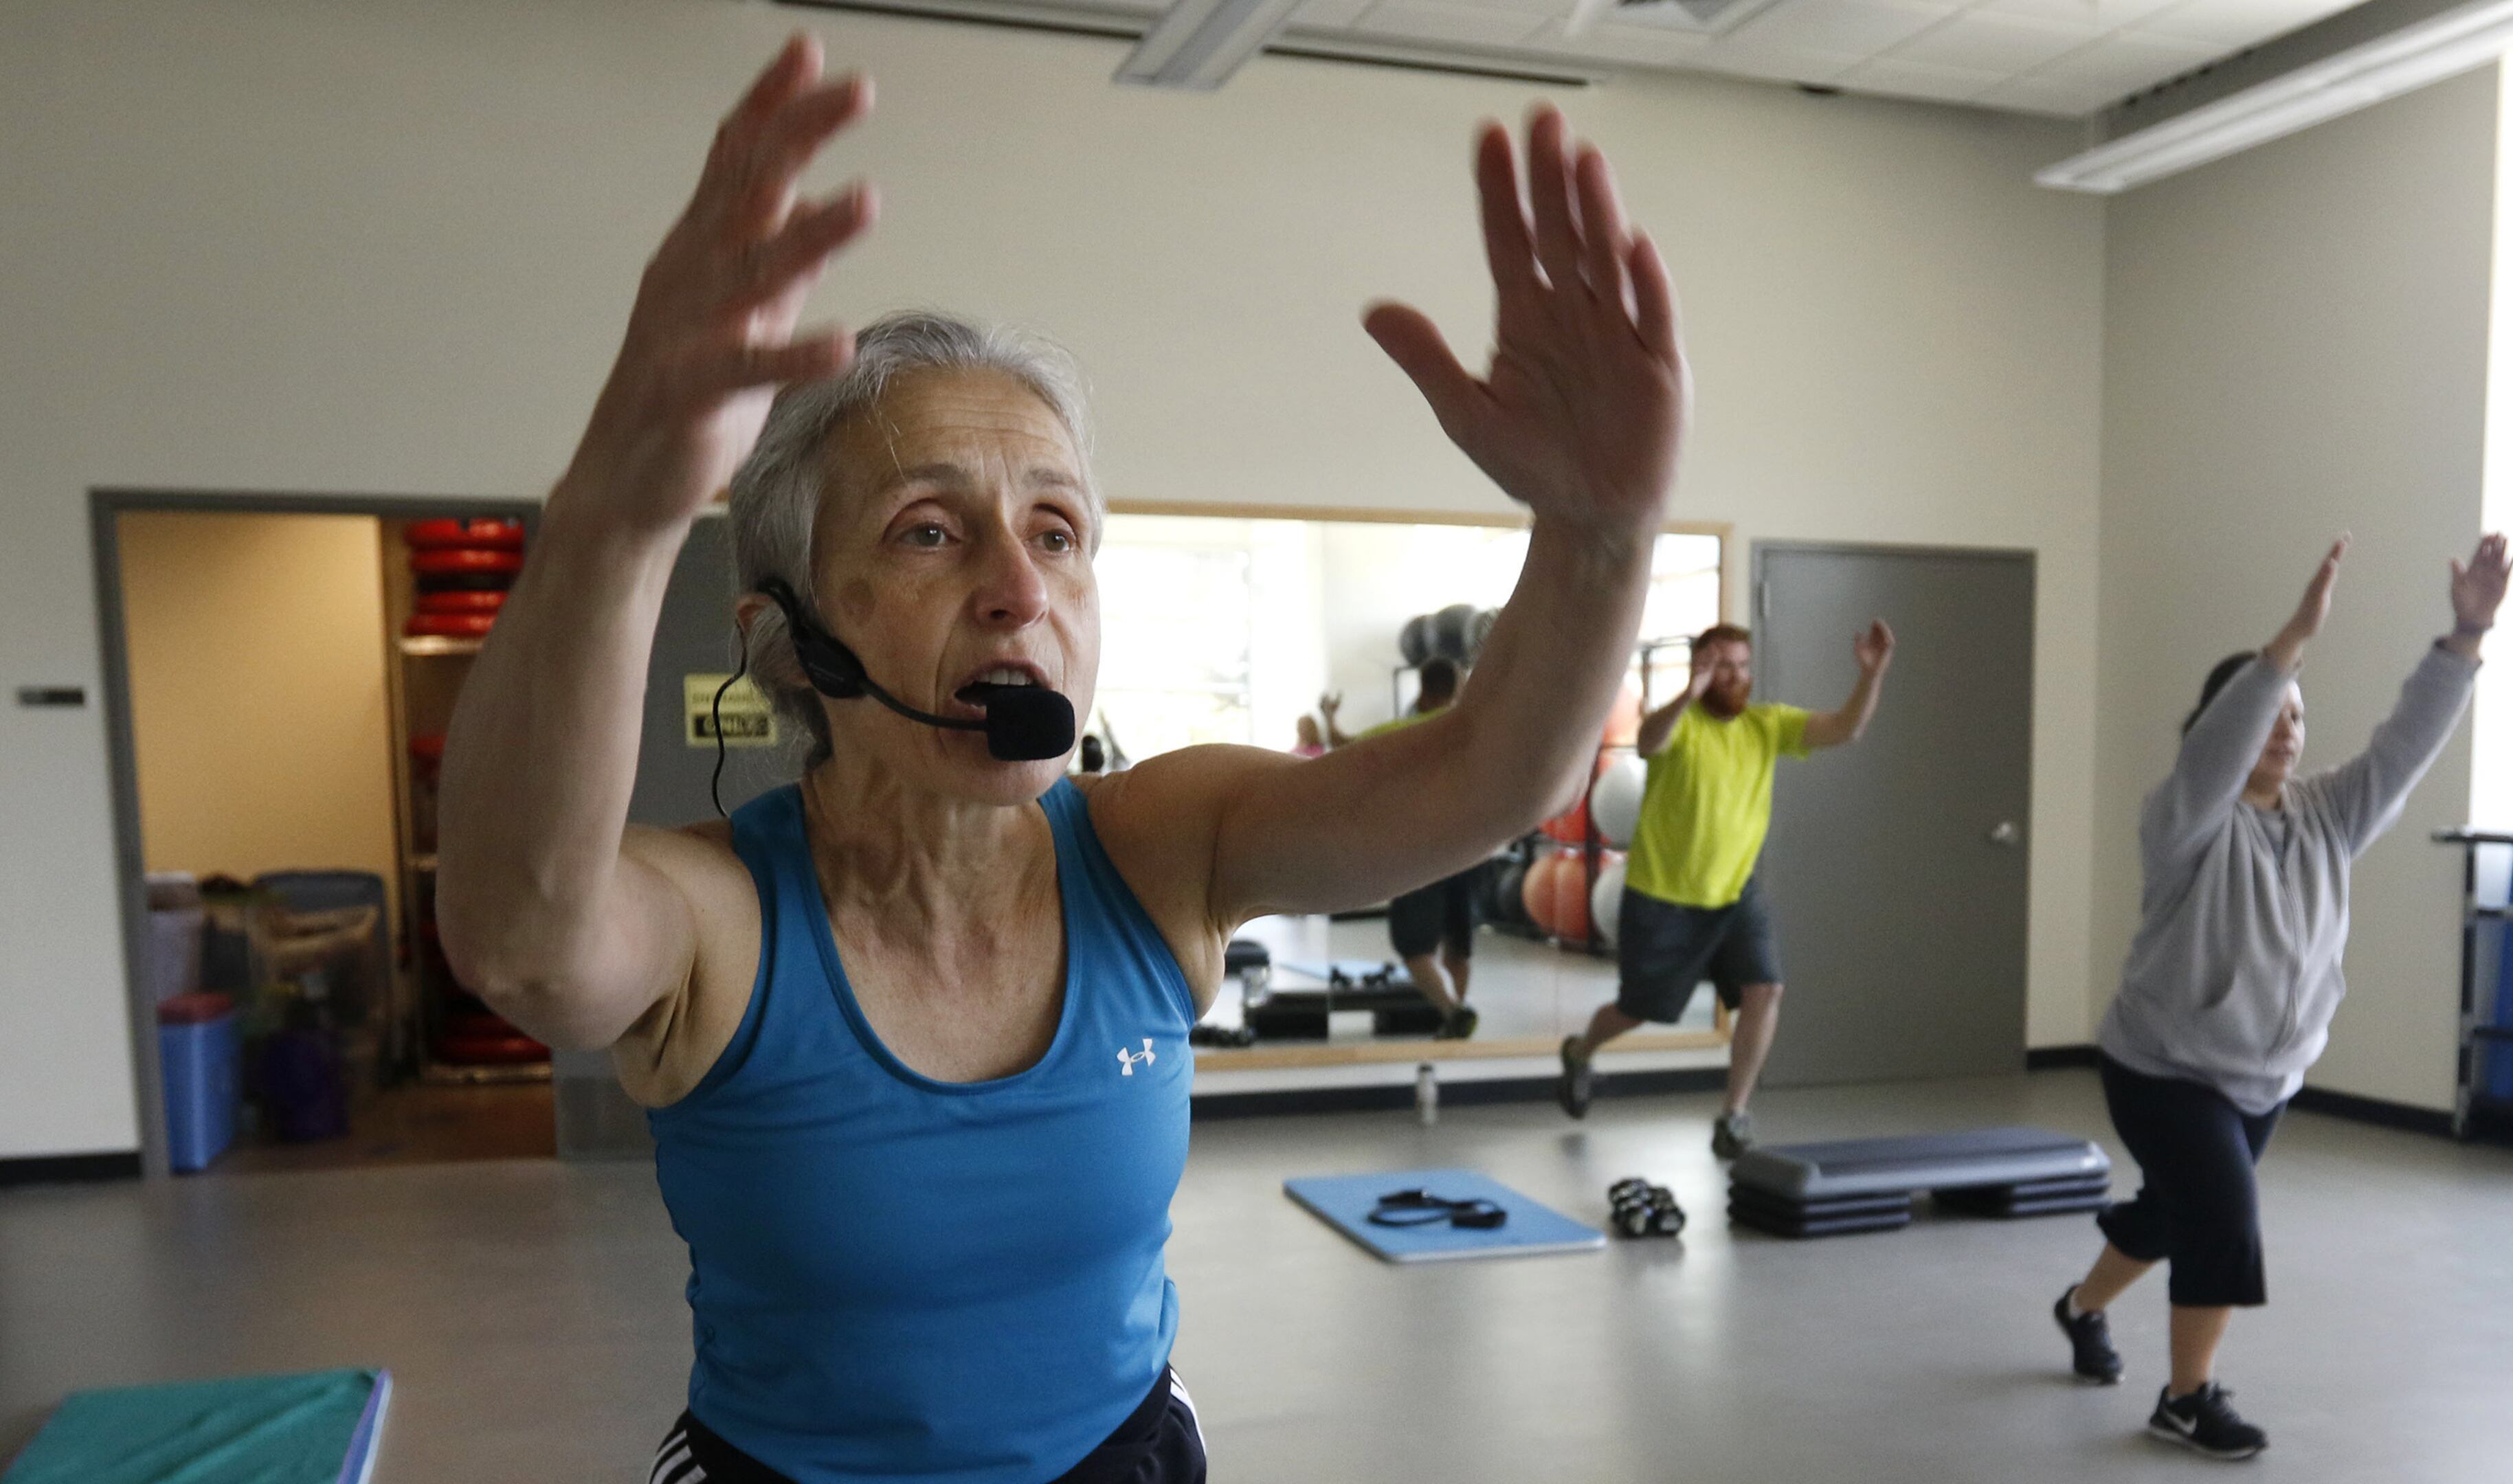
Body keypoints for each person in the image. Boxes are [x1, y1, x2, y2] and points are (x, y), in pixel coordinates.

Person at [434, 34, 1690, 1484]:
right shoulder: (720, 919)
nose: (1019, 588)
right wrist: (613, 512)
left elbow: (1484, 779)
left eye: (1056, 531)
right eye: (927, 528)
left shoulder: (1164, 847)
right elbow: (528, 946)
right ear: (788, 643)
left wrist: (1601, 535)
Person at [2049, 534, 2513, 1461]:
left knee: (2175, 1212)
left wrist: (2464, 637)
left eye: (2297, 716)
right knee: (2222, 1215)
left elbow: (2406, 744)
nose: (2287, 729)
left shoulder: (2330, 813)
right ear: (2221, 730)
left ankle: (2079, 1305)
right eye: (2269, 714)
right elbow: (2224, 740)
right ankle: (2187, 1398)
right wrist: (2289, 644)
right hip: (2162, 1065)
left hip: (2267, 1074)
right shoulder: (2184, 819)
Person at [1554, 617, 1895, 1158]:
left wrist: (1871, 676)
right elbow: (1647, 742)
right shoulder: (1680, 724)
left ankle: (1734, 1114)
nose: (1734, 677)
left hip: (1736, 894)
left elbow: (1845, 729)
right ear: (1701, 670)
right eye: (1720, 667)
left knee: (1767, 990)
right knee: (1639, 1010)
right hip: (1663, 897)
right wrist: (1688, 692)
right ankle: (1581, 1050)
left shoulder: (1767, 725)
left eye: (1741, 666)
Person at [1359, 657, 1482, 1037]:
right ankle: (1456, 1013)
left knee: (1415, 948)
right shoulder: (1476, 733)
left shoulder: (1402, 731)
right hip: (1473, 852)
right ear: (1457, 689)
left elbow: (1343, 747)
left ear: (1425, 691)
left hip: (1423, 856)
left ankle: (1450, 1011)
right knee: (1458, 947)